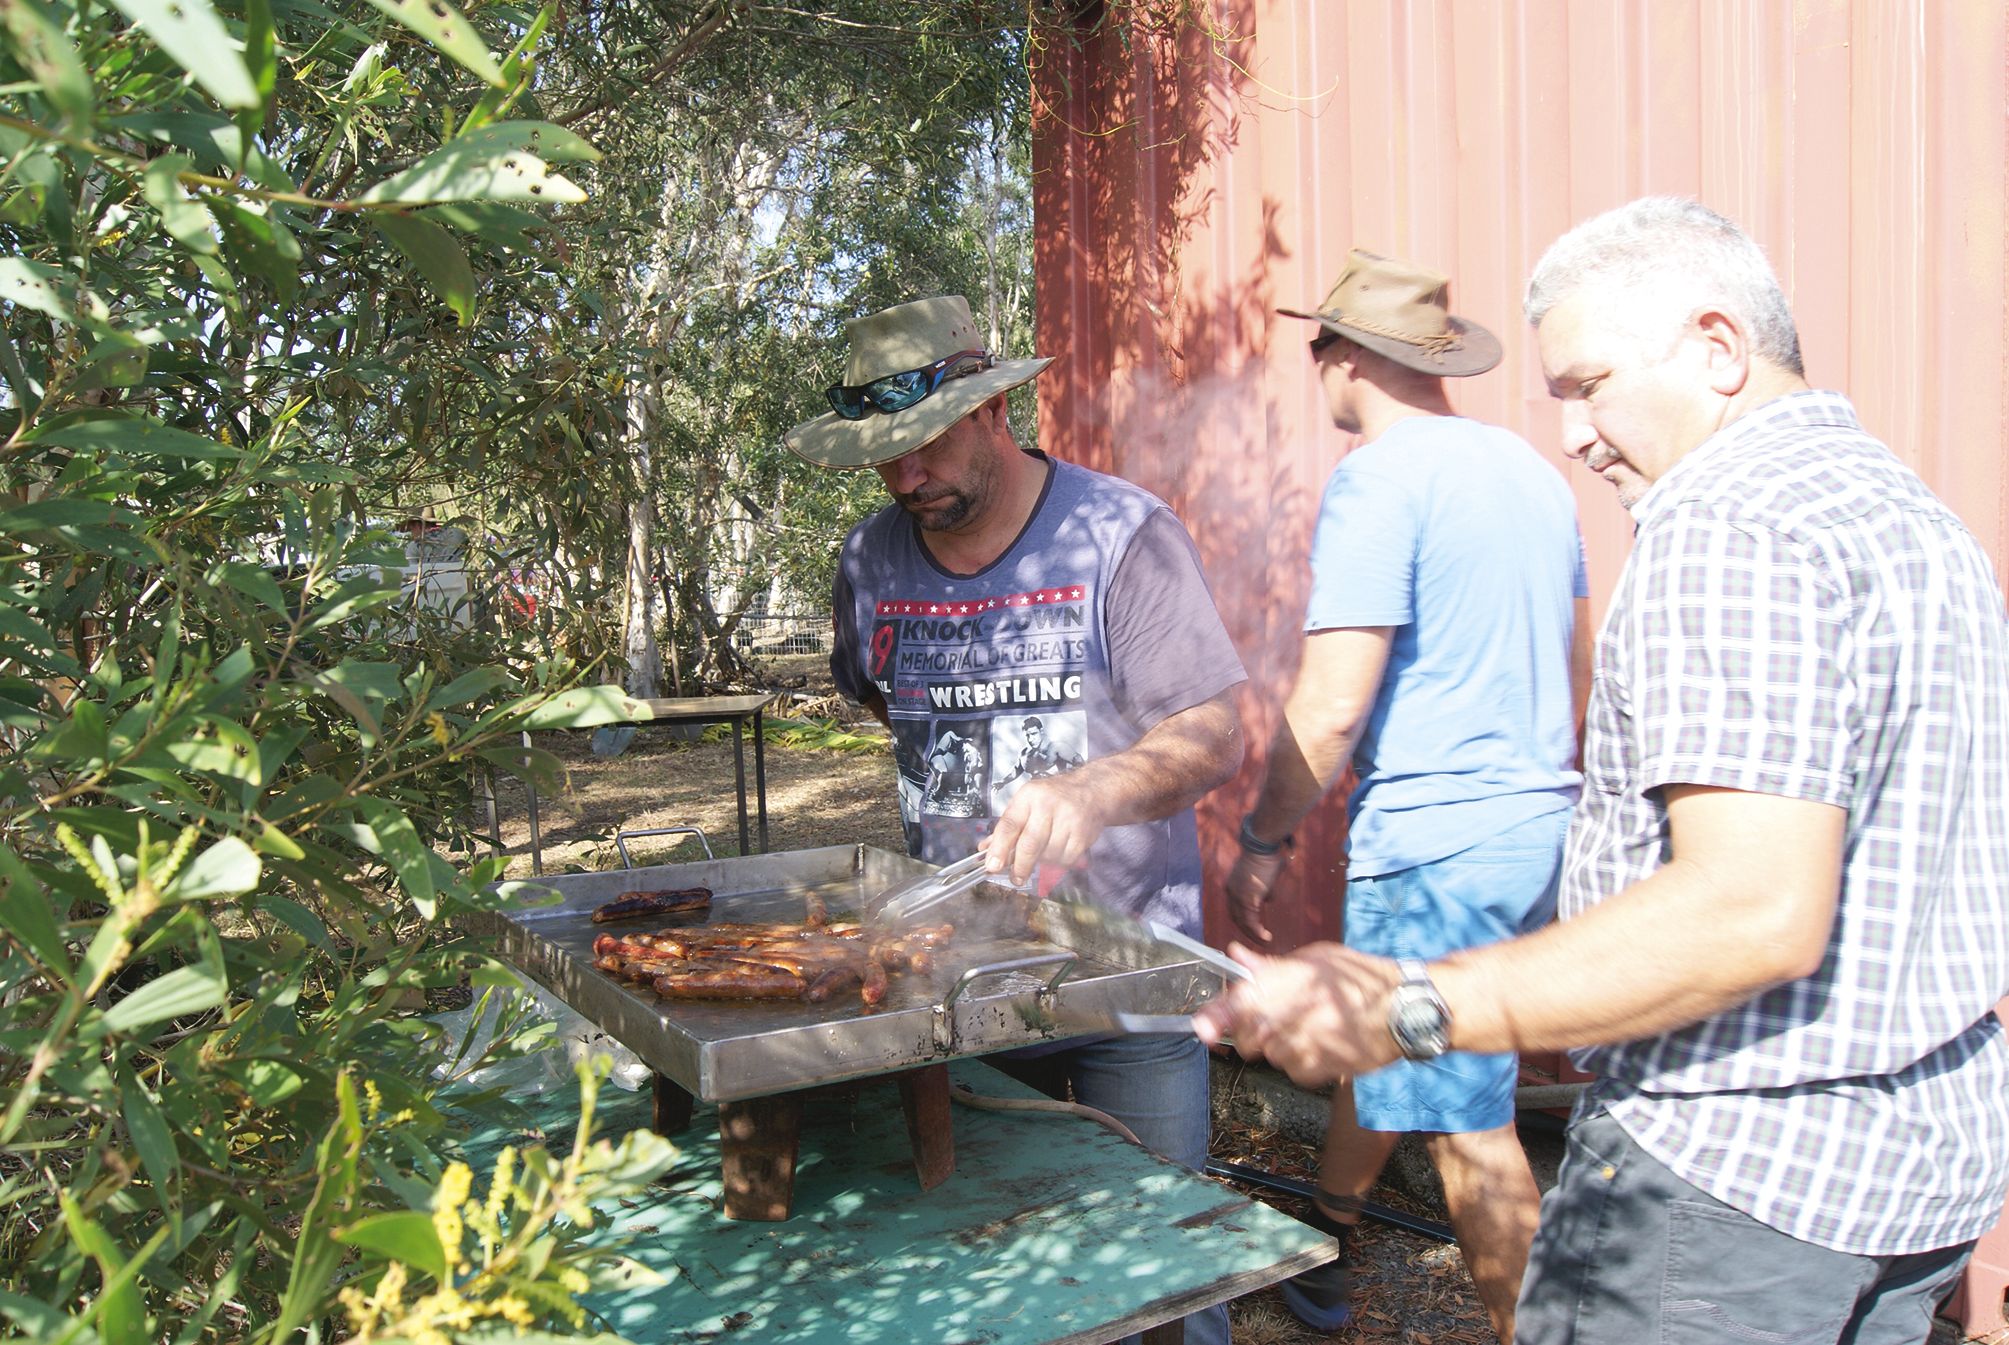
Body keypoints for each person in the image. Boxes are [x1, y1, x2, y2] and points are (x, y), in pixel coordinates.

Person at [1199, 197, 2009, 1345]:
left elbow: (1752, 909)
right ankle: (1330, 1236)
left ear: (1717, 347)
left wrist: (1393, 979)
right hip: (1916, 1164)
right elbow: (1592, 686)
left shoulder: (1721, 521)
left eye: (1587, 384)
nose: (1575, 430)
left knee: (1458, 1113)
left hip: (1733, 1180)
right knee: (1432, 1099)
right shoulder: (1903, 511)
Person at [787, 294, 1248, 1345]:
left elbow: (1213, 732)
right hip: (958, 984)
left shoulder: (1117, 535)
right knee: (998, 1276)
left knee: (1164, 1275)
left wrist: (1091, 788)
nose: (906, 477)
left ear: (992, 407)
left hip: (1125, 980)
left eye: (925, 443)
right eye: (882, 457)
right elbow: (877, 694)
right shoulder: (868, 561)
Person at [1226, 249, 1589, 1340]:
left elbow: (1331, 702)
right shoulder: (1529, 470)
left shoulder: (1378, 476)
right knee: (1390, 1035)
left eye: (1316, 346)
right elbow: (1577, 665)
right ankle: (1329, 1236)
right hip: (1538, 821)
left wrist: (1261, 837)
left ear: (1348, 357)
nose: (1314, 366)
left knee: (1465, 1129)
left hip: (1434, 844)